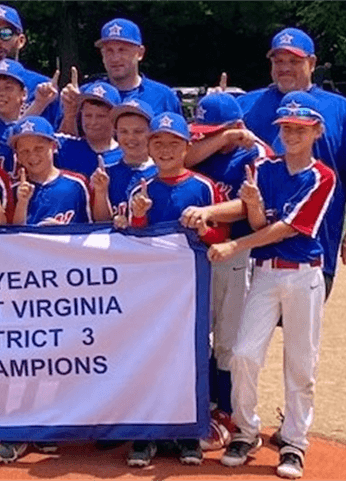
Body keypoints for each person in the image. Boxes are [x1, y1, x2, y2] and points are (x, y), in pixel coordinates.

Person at [183, 91, 337, 479]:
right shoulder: (267, 168)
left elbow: (287, 228)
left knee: (301, 363)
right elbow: (254, 218)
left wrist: (235, 243)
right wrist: (236, 206)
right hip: (266, 273)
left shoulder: (322, 176)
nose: (290, 135)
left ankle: (294, 442)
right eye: (285, 127)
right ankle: (246, 430)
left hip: (303, 274)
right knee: (245, 355)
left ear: (316, 131)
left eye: (299, 129)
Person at [235, 27, 346, 303]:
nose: (284, 68)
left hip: (314, 243)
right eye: (278, 61)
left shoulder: (339, 109)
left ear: (312, 63)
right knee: (242, 335)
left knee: (300, 335)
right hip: (249, 241)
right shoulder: (246, 105)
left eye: (294, 61)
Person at [124, 112, 227, 467]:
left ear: (187, 147)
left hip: (190, 289)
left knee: (192, 356)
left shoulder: (202, 186)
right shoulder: (142, 188)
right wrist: (138, 217)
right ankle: (145, 434)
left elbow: (220, 237)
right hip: (151, 291)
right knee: (148, 355)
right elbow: (131, 242)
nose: (166, 149)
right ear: (150, 147)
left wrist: (203, 228)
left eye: (173, 143)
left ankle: (188, 431)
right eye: (159, 143)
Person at [183, 92, 275, 451]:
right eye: (203, 132)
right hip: (197, 254)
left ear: (239, 127)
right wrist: (220, 137)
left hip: (237, 254)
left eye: (213, 132)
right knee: (197, 335)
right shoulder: (205, 150)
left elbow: (250, 205)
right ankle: (204, 405)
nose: (204, 138)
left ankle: (228, 412)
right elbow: (184, 157)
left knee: (228, 339)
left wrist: (209, 212)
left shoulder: (254, 155)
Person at [10, 116, 92, 227]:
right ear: (17, 156)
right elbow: (8, 239)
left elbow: (94, 231)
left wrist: (61, 233)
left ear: (53, 146)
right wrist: (22, 203)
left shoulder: (77, 184)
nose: (32, 156)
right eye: (24, 151)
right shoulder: (13, 190)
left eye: (39, 148)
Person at [89, 99, 157, 225]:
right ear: (116, 134)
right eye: (123, 131)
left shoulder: (160, 172)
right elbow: (100, 222)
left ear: (151, 133)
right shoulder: (107, 173)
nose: (130, 137)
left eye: (138, 131)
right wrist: (101, 192)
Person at [94, 18, 182, 115]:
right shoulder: (91, 94)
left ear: (140, 53)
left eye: (122, 50)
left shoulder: (163, 96)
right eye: (109, 51)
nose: (115, 58)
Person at [56, 80, 125, 179]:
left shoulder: (124, 155)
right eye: (88, 115)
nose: (93, 122)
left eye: (101, 116)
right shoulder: (65, 146)